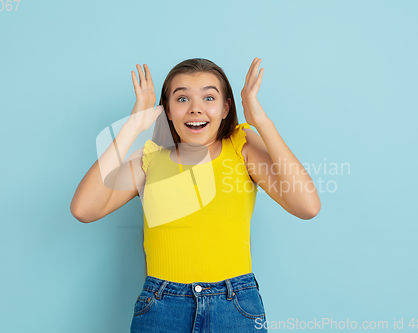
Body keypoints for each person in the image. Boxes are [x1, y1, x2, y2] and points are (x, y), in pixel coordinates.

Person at [70, 57, 321, 332]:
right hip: (162, 307)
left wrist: (260, 120)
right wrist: (132, 126)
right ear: (166, 110)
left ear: (226, 108)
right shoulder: (150, 158)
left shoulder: (242, 147)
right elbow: (84, 209)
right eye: (182, 99)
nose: (195, 109)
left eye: (209, 98)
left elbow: (306, 206)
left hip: (234, 305)